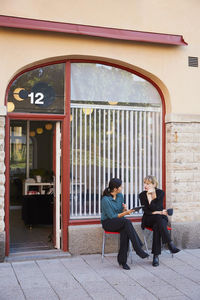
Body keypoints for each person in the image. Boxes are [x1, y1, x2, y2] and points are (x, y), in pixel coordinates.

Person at [101, 178, 149, 270]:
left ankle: (123, 261)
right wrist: (126, 213)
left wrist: (124, 209)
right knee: (127, 222)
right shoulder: (105, 200)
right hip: (108, 222)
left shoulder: (120, 196)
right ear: (115, 189)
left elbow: (119, 212)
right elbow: (112, 216)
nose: (122, 188)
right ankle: (138, 249)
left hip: (119, 222)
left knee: (125, 231)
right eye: (120, 186)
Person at [139, 175, 180, 267]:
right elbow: (148, 211)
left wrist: (157, 211)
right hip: (149, 218)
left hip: (159, 219)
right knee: (158, 218)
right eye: (145, 183)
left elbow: (156, 208)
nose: (145, 185)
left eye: (148, 184)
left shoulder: (160, 193)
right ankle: (170, 244)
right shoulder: (142, 195)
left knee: (157, 226)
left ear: (154, 184)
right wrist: (149, 198)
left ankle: (156, 256)